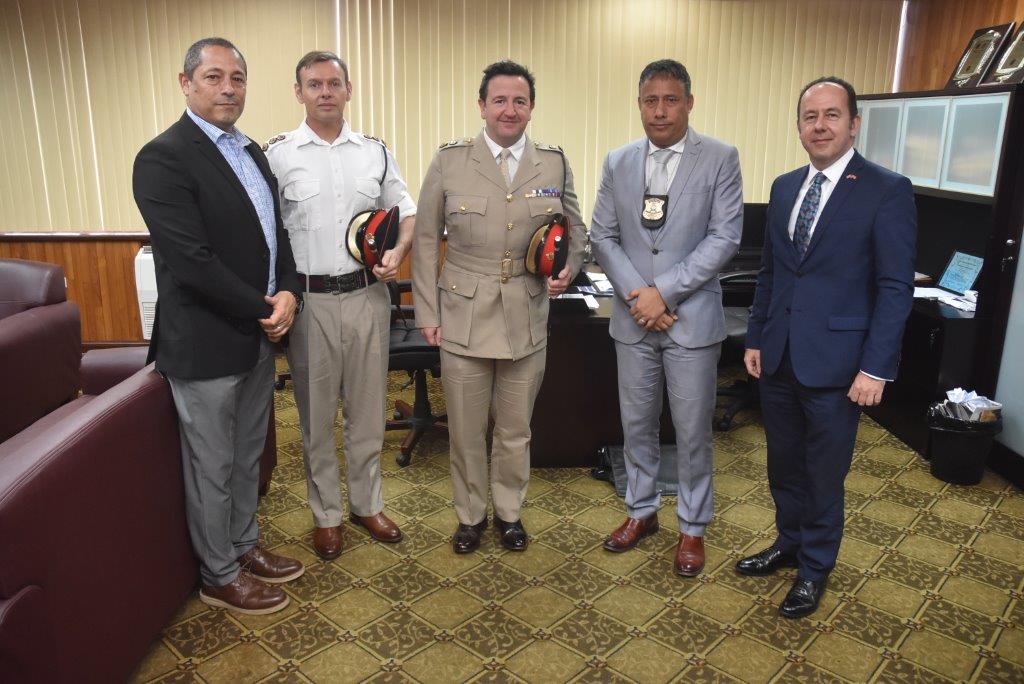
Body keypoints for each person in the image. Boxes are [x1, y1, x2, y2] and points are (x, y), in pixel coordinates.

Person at [133, 37, 305, 615]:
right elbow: (192, 261)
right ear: (186, 84)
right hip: (205, 341)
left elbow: (276, 236)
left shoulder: (251, 150)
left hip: (257, 333)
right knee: (213, 464)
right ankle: (219, 574)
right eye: (213, 77)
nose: (228, 88)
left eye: (237, 77)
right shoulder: (162, 157)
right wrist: (265, 307)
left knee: (248, 452)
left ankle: (243, 544)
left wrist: (289, 292)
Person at [737, 76, 915, 618]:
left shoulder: (886, 189)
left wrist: (877, 368)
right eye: (810, 116)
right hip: (779, 355)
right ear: (798, 127)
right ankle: (788, 543)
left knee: (822, 473)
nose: (820, 126)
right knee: (783, 465)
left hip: (839, 364)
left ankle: (815, 568)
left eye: (832, 115)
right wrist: (756, 336)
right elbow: (772, 272)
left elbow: (894, 286)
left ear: (853, 124)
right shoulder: (785, 186)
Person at [411, 60, 586, 553]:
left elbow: (576, 229)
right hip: (463, 314)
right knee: (466, 432)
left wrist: (568, 268)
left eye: (520, 101)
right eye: (500, 100)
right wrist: (427, 312)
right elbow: (425, 240)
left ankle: (509, 512)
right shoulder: (450, 161)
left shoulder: (553, 163)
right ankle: (470, 516)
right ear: (482, 106)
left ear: (531, 108)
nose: (510, 110)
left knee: (515, 429)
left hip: (526, 314)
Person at [590, 59, 743, 578]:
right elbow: (602, 235)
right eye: (650, 100)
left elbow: (725, 238)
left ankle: (693, 527)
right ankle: (641, 510)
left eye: (670, 100)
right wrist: (641, 297)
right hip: (634, 319)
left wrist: (665, 293)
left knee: (693, 431)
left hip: (691, 321)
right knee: (636, 425)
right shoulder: (618, 161)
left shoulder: (720, 157)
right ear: (639, 105)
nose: (660, 111)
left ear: (689, 103)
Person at [265, 51, 416, 560]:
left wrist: (398, 251)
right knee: (316, 416)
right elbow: (266, 231)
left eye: (334, 83)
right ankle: (326, 514)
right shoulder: (278, 156)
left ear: (349, 90)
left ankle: (367, 505)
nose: (325, 92)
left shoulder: (374, 152)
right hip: (309, 303)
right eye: (314, 84)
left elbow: (407, 211)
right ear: (299, 92)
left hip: (367, 297)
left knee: (368, 412)